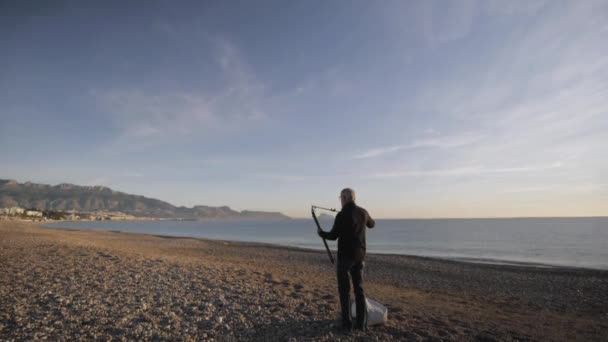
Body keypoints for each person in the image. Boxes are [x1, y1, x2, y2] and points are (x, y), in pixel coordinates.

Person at [318, 188, 375, 331]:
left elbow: (332, 236)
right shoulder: (363, 212)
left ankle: (347, 324)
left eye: (340, 198)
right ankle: (361, 324)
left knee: (345, 291)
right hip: (360, 256)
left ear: (345, 198)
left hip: (345, 258)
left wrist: (321, 233)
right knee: (359, 289)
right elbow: (372, 224)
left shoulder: (341, 215)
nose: (340, 200)